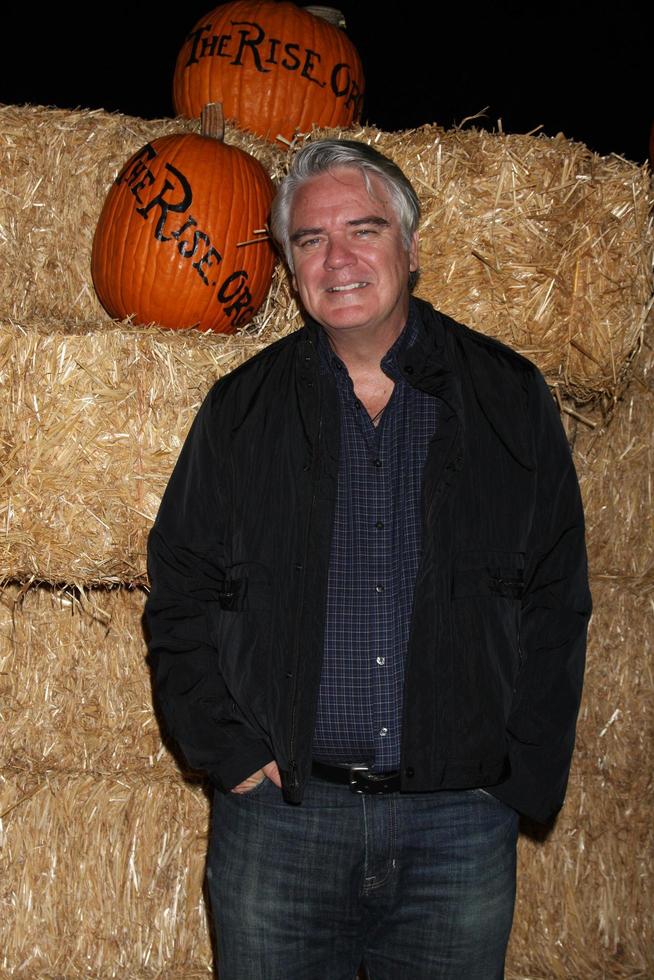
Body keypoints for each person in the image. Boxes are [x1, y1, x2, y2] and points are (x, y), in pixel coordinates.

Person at [145, 139, 591, 979]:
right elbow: (180, 591)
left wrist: (516, 777)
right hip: (284, 822)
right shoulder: (241, 410)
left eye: (364, 229)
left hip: (458, 823)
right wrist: (227, 752)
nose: (339, 259)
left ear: (411, 249)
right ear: (290, 266)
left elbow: (557, 595)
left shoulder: (507, 397)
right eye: (311, 240)